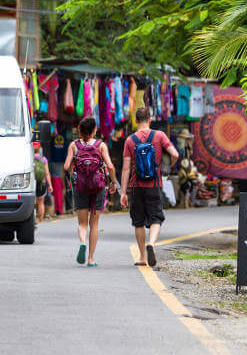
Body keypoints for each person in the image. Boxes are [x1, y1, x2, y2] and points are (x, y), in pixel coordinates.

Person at [120, 106, 179, 267]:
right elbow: (175, 154)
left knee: (138, 222)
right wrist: (169, 167)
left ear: (136, 121)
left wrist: (123, 192)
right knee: (156, 218)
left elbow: (126, 168)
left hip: (136, 186)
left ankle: (142, 257)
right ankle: (151, 243)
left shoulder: (130, 140)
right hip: (154, 184)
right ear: (150, 119)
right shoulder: (159, 136)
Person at [65, 117, 116, 267]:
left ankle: (82, 242)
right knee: (94, 224)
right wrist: (113, 182)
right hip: (98, 187)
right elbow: (111, 166)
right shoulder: (101, 145)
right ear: (95, 130)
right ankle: (91, 259)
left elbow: (66, 166)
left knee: (82, 223)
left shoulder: (74, 145)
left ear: (79, 130)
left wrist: (74, 170)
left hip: (81, 186)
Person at [33, 142, 53, 224]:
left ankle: (32, 219)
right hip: (42, 183)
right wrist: (50, 185)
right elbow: (47, 173)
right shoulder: (43, 159)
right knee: (41, 203)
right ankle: (40, 220)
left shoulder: (29, 158)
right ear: (40, 148)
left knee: (32, 202)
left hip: (32, 183)